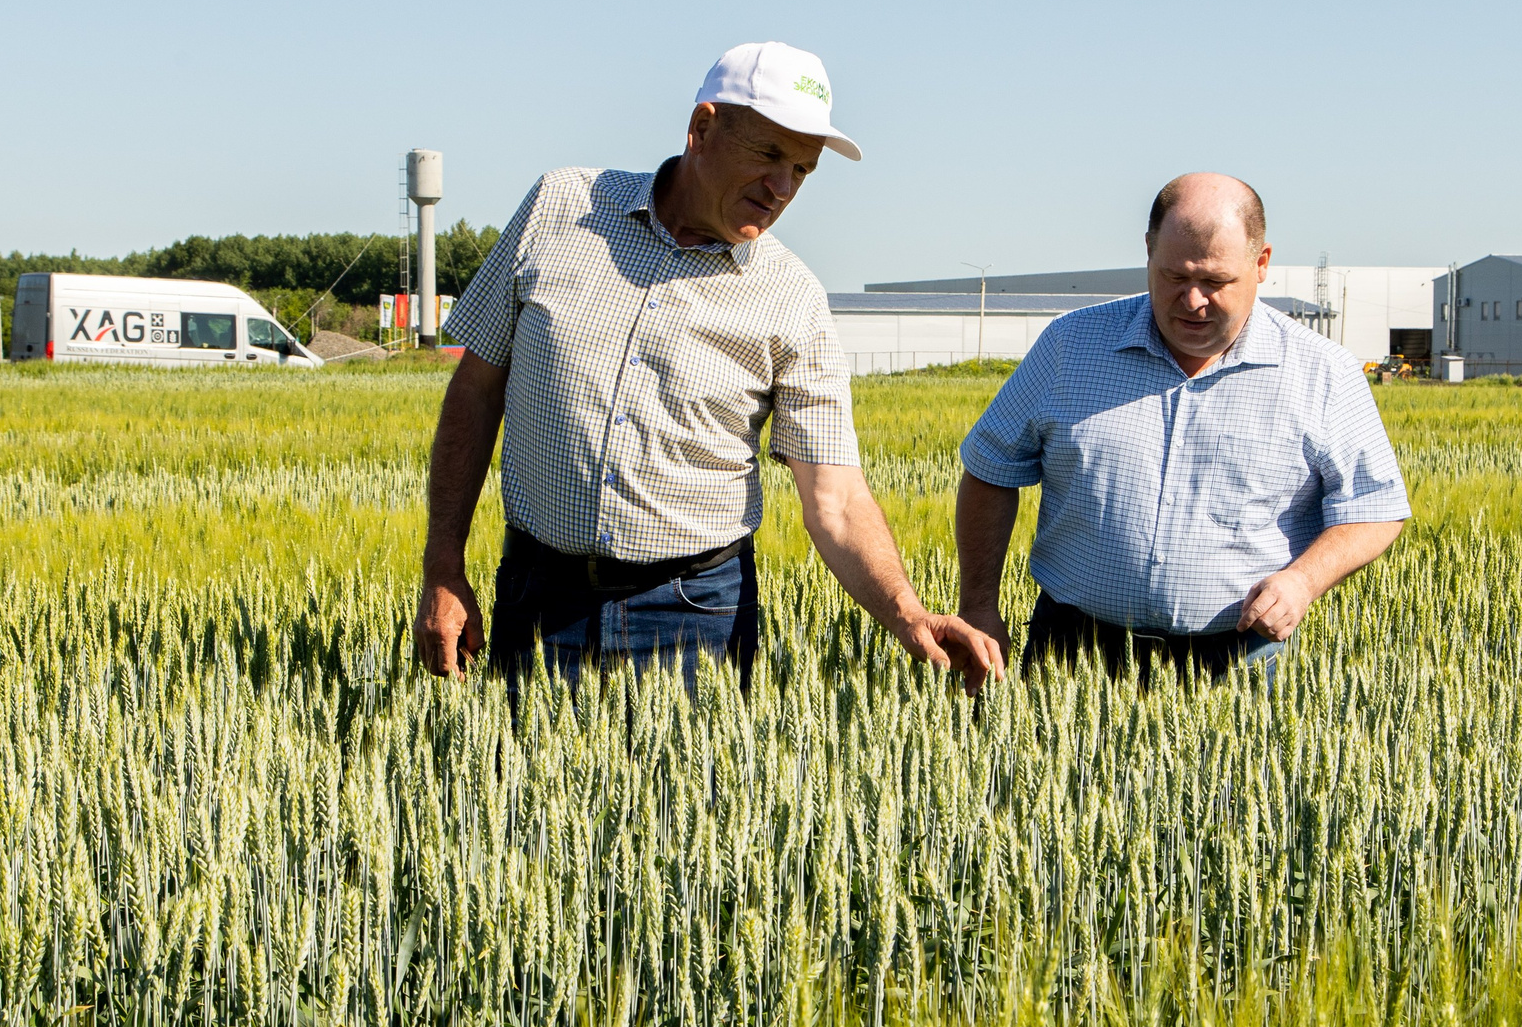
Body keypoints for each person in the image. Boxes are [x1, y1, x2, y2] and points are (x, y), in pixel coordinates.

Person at [415, 41, 1002, 691]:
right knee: (527, 790)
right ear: (701, 128)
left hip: (696, 616)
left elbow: (834, 499)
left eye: (802, 171)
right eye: (769, 155)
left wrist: (907, 611)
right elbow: (475, 389)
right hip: (538, 597)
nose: (782, 188)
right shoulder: (560, 207)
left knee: (691, 796)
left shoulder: (793, 298)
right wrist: (443, 563)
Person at [954, 173, 1408, 678]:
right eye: (1175, 277)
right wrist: (977, 604)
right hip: (1070, 652)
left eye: (1216, 282)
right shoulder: (1069, 346)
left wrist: (1302, 580)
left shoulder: (1323, 372)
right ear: (1148, 251)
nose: (1193, 301)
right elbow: (990, 470)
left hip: (1236, 658)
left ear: (1261, 264)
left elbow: (1375, 508)